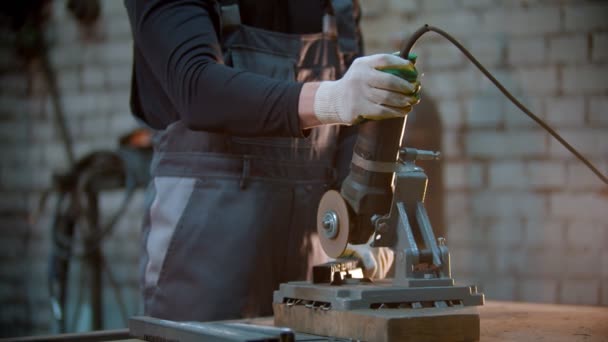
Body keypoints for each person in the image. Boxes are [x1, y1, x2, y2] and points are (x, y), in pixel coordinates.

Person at [124, 0, 421, 322]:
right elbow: (196, 87)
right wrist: (332, 99)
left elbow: (350, 124)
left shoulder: (337, 6)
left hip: (313, 253)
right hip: (204, 249)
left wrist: (359, 222)